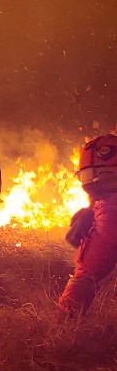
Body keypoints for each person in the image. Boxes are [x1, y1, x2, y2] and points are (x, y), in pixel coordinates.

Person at [58, 134, 117, 315]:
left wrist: (64, 323)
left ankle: (67, 328)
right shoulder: (104, 205)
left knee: (85, 275)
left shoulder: (110, 209)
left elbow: (89, 269)